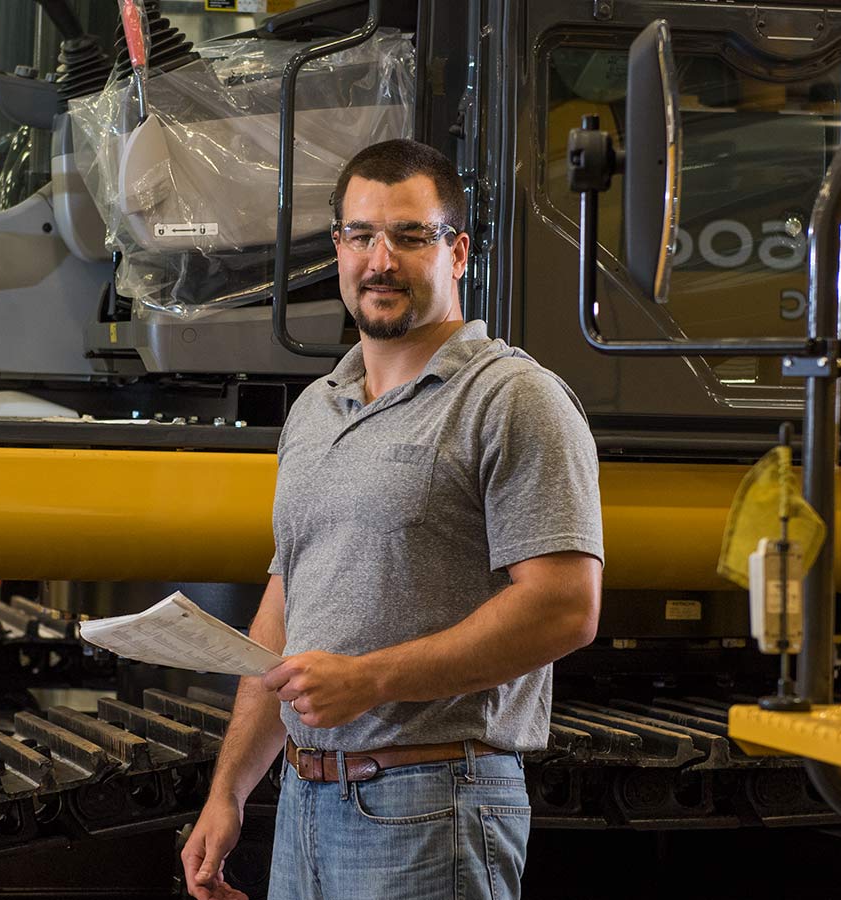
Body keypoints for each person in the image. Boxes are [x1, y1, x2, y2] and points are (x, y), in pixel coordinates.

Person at [181, 138, 604, 900]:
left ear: (459, 252)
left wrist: (371, 680)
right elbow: (287, 606)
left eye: (411, 236)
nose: (382, 260)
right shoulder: (314, 410)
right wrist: (231, 791)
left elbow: (566, 608)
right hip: (305, 802)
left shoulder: (512, 399)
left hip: (432, 804)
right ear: (338, 248)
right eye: (360, 235)